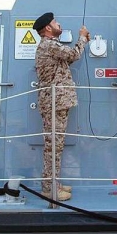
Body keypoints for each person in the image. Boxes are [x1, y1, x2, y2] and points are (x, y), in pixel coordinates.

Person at [34, 12, 90, 201]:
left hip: (56, 102)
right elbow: (74, 54)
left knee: (55, 146)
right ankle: (50, 189)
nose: (60, 24)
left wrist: (82, 40)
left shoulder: (50, 46)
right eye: (56, 22)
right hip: (54, 103)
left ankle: (53, 183)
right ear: (48, 28)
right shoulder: (50, 45)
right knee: (53, 146)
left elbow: (68, 58)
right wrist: (82, 37)